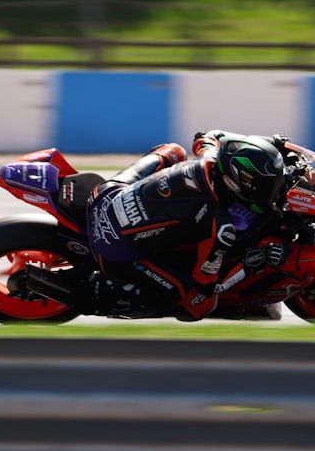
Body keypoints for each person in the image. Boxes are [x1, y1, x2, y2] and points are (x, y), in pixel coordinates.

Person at [84, 130, 292, 320]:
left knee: (174, 151)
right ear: (240, 183)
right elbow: (208, 283)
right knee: (200, 304)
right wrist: (253, 262)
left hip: (107, 194)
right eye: (270, 187)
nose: (276, 191)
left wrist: (270, 143)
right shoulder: (218, 225)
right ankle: (119, 293)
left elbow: (208, 135)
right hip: (114, 245)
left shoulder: (210, 156)